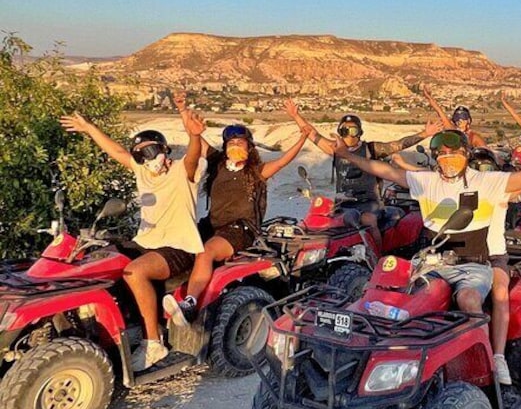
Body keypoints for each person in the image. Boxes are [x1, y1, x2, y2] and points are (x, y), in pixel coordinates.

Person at [332, 129, 521, 386]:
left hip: (477, 262)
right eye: (442, 155)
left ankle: (487, 359)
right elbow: (383, 170)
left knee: (469, 298)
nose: (448, 160)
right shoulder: (425, 181)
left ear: (465, 155)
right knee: (398, 297)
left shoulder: (487, 182)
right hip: (434, 261)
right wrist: (346, 155)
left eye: (453, 154)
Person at [60, 110, 206, 371]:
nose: (145, 158)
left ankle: (153, 343)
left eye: (150, 151)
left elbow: (194, 157)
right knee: (98, 257)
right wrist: (89, 127)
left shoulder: (183, 172)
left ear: (164, 150)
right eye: (140, 154)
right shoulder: (143, 173)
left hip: (179, 246)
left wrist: (194, 136)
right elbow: (117, 152)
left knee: (134, 272)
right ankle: (114, 326)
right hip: (146, 242)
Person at [164, 103, 309, 327]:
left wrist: (302, 138)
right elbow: (197, 138)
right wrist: (183, 110)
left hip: (241, 229)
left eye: (239, 142)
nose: (234, 145)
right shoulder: (217, 163)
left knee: (206, 252)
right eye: (230, 143)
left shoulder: (256, 171)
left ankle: (190, 304)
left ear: (249, 147)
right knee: (179, 241)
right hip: (212, 224)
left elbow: (283, 161)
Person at [285, 100, 441, 249]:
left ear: (359, 132)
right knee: (318, 222)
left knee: (368, 220)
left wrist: (424, 134)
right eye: (345, 130)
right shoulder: (337, 150)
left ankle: (376, 257)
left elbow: (398, 144)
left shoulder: (371, 149)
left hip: (369, 204)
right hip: (343, 204)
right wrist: (296, 116)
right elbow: (313, 135)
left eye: (354, 130)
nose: (350, 135)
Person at [422, 85, 487, 147]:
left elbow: (485, 152)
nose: (459, 122)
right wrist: (429, 98)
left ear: (468, 121)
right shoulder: (452, 131)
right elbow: (440, 112)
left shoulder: (473, 137)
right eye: (457, 119)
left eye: (463, 119)